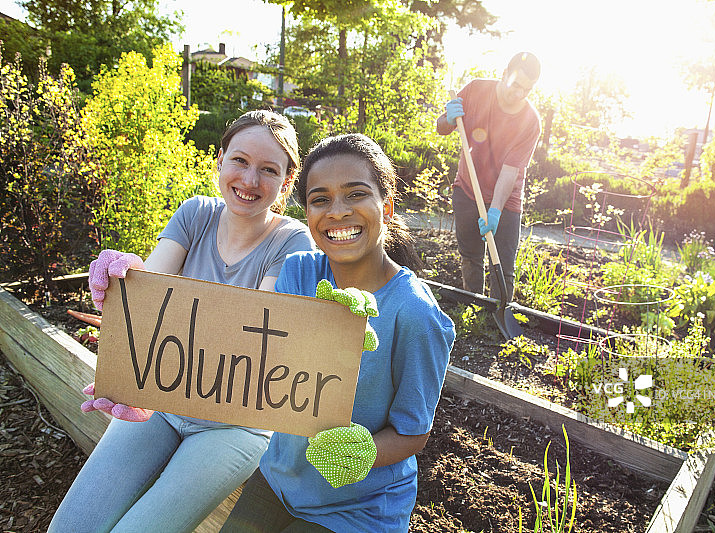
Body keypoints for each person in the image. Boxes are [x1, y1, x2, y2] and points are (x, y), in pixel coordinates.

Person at [48, 110, 315, 533]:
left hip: (233, 423)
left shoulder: (293, 241)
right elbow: (149, 292)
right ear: (220, 161)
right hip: (162, 402)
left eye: (268, 170)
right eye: (240, 161)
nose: (249, 181)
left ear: (286, 182)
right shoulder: (196, 214)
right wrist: (125, 280)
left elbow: (248, 334)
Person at [220, 133, 456, 532]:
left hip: (358, 508)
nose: (337, 212)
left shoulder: (414, 313)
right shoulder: (299, 271)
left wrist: (363, 451)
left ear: (388, 206)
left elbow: (413, 431)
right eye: (321, 199)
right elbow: (264, 361)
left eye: (356, 195)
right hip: (279, 478)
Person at [436, 51, 542, 298]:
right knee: (471, 257)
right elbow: (442, 127)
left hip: (506, 201)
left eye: (526, 90)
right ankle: (475, 309)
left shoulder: (530, 121)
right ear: (504, 74)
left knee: (503, 267)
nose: (519, 94)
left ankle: (499, 315)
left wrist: (494, 211)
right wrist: (448, 118)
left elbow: (510, 171)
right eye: (515, 85)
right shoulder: (475, 90)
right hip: (467, 191)